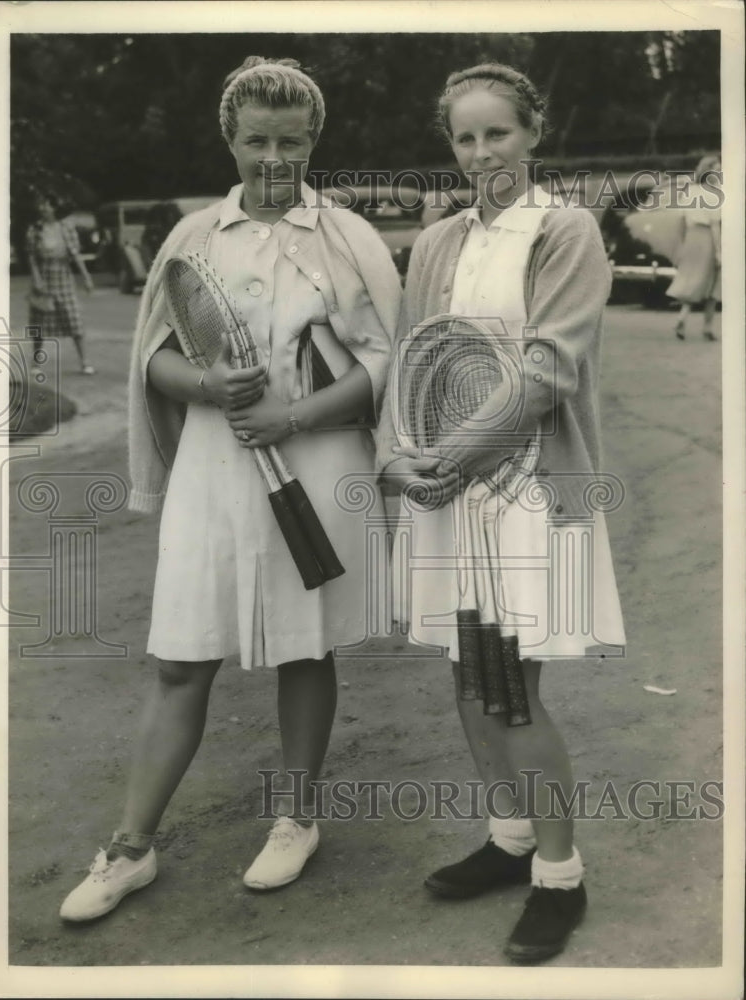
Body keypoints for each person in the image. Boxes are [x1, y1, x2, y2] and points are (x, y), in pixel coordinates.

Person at [59, 56, 401, 922]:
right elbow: (155, 353)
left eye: (291, 142)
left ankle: (295, 817)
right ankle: (130, 847)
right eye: (257, 141)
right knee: (180, 656)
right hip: (215, 467)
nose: (274, 159)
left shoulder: (349, 238)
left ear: (313, 140)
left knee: (304, 648)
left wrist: (293, 417)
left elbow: (382, 360)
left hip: (315, 462)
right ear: (230, 140)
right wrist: (209, 390)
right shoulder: (193, 238)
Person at [376, 62, 625, 964]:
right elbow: (409, 361)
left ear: (532, 133)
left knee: (513, 688)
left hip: (527, 489)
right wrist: (392, 453)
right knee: (465, 677)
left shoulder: (565, 230)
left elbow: (548, 369)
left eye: (498, 133)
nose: (482, 152)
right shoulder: (437, 241)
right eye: (465, 137)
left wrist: (443, 456)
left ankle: (561, 877)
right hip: (448, 497)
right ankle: (510, 838)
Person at [25, 194, 96, 375]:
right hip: (43, 278)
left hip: (63, 278)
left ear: (54, 208)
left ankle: (85, 361)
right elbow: (32, 258)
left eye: (46, 205)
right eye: (40, 205)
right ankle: (36, 363)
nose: (42, 208)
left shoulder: (65, 228)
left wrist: (86, 277)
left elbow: (75, 256)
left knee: (74, 320)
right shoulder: (35, 230)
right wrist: (37, 279)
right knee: (40, 324)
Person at [666, 152, 722, 341]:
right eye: (717, 169)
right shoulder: (714, 193)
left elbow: (681, 219)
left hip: (691, 237)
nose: (720, 172)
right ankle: (707, 327)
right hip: (707, 238)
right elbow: (715, 224)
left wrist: (682, 243)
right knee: (713, 283)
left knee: (693, 280)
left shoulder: (691, 191)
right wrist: (719, 251)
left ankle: (682, 317)